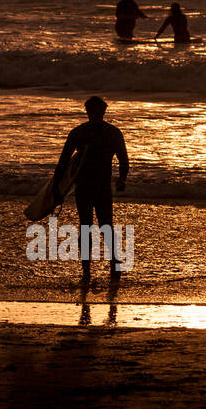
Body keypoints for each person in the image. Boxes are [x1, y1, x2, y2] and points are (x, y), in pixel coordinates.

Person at [52, 96, 129, 285]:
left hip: (91, 187)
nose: (94, 114)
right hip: (93, 187)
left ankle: (94, 270)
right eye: (93, 112)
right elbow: (124, 161)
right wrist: (121, 179)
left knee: (93, 227)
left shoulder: (80, 133)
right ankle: (103, 268)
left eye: (96, 111)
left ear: (101, 112)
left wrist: (56, 187)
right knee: (101, 227)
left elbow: (63, 163)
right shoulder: (111, 133)